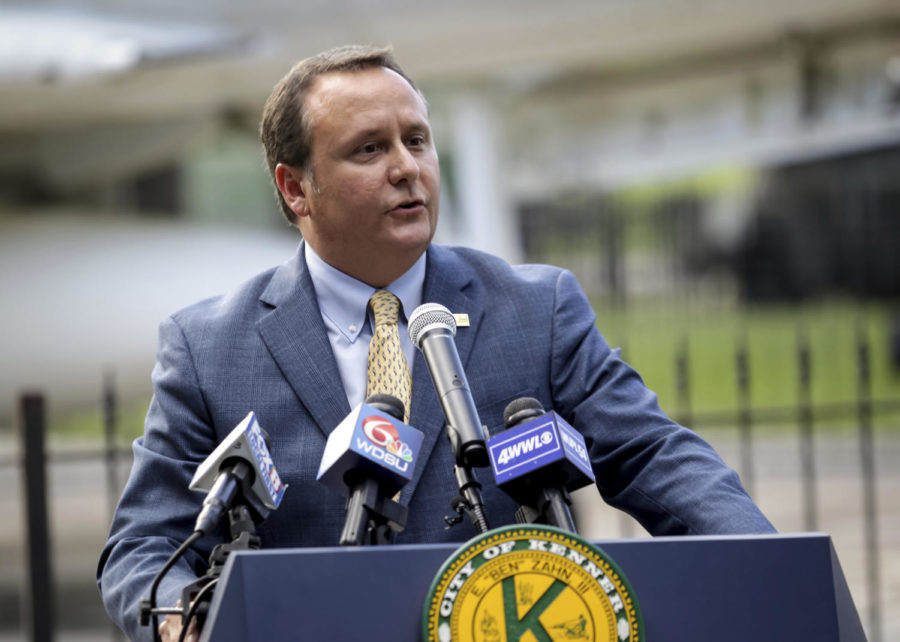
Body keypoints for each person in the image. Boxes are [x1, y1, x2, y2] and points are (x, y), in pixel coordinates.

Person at [97, 44, 775, 641]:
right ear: (295, 187)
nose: (406, 168)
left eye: (417, 141)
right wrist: (173, 616)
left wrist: (765, 564)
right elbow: (144, 542)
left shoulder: (537, 309)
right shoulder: (208, 345)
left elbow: (655, 455)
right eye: (370, 148)